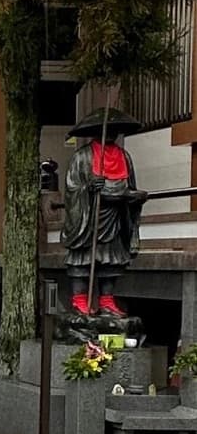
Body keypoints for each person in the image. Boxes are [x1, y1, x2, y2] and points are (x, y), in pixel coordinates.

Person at [60, 108, 146, 317]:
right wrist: (87, 188)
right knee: (83, 258)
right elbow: (72, 187)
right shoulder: (82, 157)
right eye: (106, 130)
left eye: (114, 130)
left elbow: (128, 186)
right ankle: (80, 299)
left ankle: (107, 299)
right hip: (89, 217)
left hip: (114, 215)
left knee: (111, 259)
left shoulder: (123, 156)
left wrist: (134, 197)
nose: (110, 134)